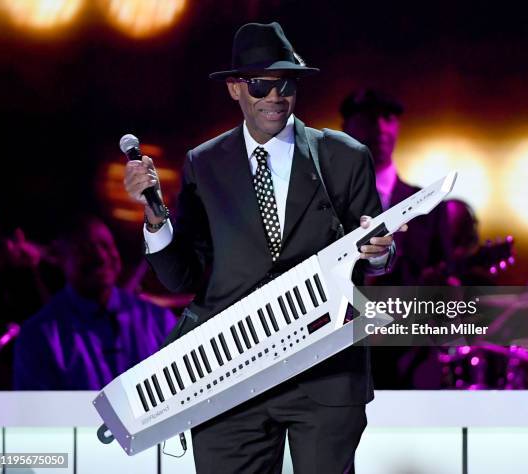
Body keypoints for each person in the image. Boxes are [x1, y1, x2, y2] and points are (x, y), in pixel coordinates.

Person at [124, 22, 395, 474]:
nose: (275, 96)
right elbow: (185, 277)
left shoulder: (344, 156)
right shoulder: (204, 164)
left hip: (324, 371)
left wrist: (380, 252)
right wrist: (155, 215)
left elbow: (374, 251)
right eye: (260, 84)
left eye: (285, 83)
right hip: (229, 372)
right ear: (235, 89)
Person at [13, 216, 176, 390]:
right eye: (85, 249)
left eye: (106, 245)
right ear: (61, 259)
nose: (100, 256)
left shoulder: (159, 320)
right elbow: (38, 413)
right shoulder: (39, 337)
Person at [341, 88, 451, 286]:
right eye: (368, 118)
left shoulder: (430, 205)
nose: (380, 127)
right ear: (345, 128)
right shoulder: (321, 199)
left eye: (388, 118)